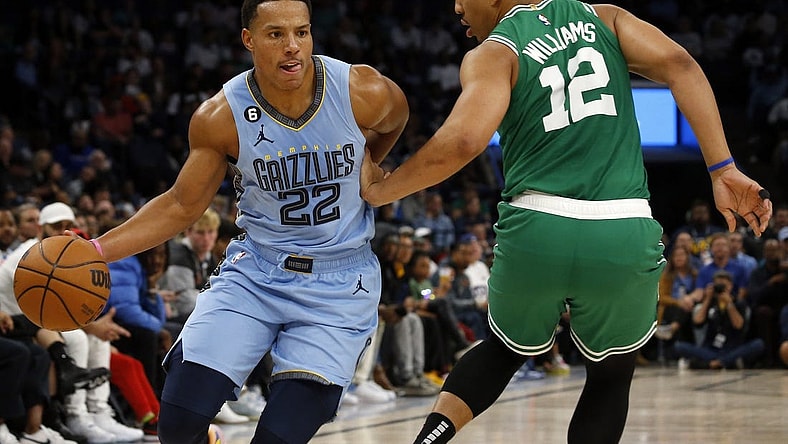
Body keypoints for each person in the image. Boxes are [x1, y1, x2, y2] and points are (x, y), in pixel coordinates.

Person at [359, 1, 773, 443]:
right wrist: (723, 168)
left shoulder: (495, 52)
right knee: (611, 375)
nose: (457, 5)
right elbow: (680, 64)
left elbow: (463, 139)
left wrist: (383, 189)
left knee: (501, 351)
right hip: (621, 225)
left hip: (539, 225)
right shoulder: (605, 18)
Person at [77, 1, 409, 443]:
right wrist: (95, 251)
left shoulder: (359, 89)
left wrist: (370, 164)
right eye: (276, 34)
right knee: (177, 425)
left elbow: (397, 118)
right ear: (248, 40)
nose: (293, 46)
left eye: (302, 32)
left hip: (340, 282)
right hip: (257, 270)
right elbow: (180, 205)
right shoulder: (221, 117)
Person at [673, 270, 764, 369]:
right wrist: (707, 299)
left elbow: (738, 325)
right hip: (710, 348)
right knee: (679, 346)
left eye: (723, 285)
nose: (720, 288)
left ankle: (711, 363)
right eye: (717, 285)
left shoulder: (739, 303)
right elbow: (697, 322)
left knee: (758, 344)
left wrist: (729, 304)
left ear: (730, 286)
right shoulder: (710, 303)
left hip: (732, 347)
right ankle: (726, 362)